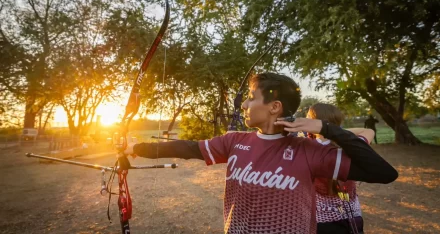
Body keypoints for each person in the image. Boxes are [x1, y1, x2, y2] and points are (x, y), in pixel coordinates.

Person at [124, 72, 398, 234]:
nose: (244, 103)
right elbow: (186, 148)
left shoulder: (308, 151)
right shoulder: (234, 141)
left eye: (252, 97)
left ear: (274, 106)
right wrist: (136, 148)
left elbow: (384, 173)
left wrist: (325, 128)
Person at [306, 103, 374, 234]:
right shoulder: (351, 147)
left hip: (321, 222)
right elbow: (369, 131)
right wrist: (336, 131)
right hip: (352, 219)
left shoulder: (307, 149)